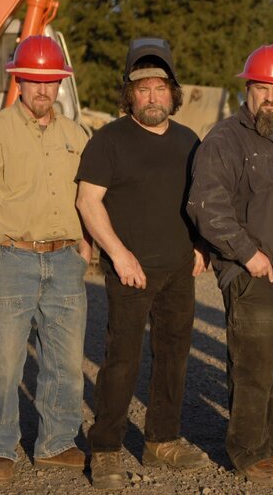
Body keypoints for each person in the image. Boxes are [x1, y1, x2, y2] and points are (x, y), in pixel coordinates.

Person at [0, 35, 91, 486]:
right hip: (11, 258)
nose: (42, 89)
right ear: (19, 80)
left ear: (59, 84)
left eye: (50, 81)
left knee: (65, 362)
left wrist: (86, 249)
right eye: (33, 80)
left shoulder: (75, 135)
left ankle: (56, 443)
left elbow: (89, 198)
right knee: (4, 363)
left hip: (66, 260)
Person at [75, 38, 210, 490]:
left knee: (173, 358)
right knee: (121, 362)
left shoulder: (189, 141)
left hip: (178, 270)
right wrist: (118, 253)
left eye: (159, 88)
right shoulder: (108, 140)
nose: (152, 97)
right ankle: (107, 448)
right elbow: (88, 201)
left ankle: (162, 439)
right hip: (130, 271)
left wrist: (199, 245)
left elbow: (198, 202)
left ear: (173, 92)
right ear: (129, 94)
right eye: (142, 88)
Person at [186, 45, 273, 486]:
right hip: (254, 275)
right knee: (253, 370)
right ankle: (247, 451)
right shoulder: (224, 139)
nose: (270, 97)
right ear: (247, 88)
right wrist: (247, 254)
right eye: (261, 87)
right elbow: (207, 205)